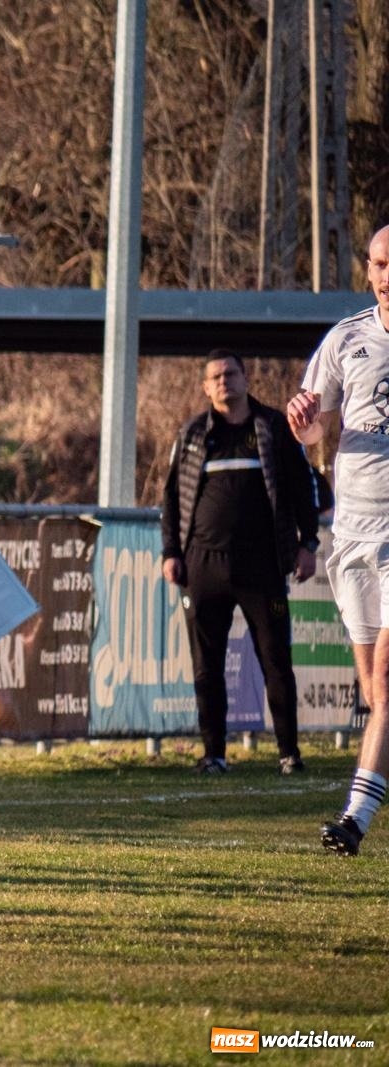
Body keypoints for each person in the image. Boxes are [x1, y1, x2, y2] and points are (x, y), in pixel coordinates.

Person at [160, 349, 318, 775]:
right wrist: (171, 552)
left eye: (230, 373)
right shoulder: (194, 433)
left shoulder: (272, 428)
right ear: (205, 387)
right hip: (203, 565)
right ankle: (214, 754)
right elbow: (171, 498)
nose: (224, 381)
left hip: (262, 565)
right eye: (215, 377)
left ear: (246, 379)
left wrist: (308, 544)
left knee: (275, 660)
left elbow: (303, 487)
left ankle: (289, 754)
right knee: (206, 666)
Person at [288, 223, 389, 855]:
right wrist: (302, 423)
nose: (387, 276)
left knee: (388, 683)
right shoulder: (346, 338)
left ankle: (354, 818)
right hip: (353, 534)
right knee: (374, 694)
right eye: (379, 264)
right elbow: (314, 433)